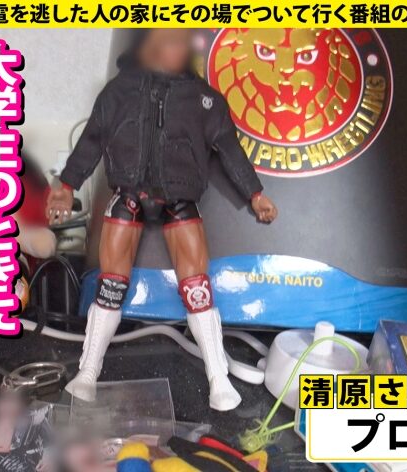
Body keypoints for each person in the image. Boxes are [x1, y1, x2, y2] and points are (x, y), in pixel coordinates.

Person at [46, 29, 277, 411]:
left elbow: (230, 150)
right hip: (128, 194)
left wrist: (255, 193)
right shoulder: (118, 92)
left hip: (180, 198)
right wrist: (67, 185)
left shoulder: (204, 99)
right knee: (110, 285)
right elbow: (92, 140)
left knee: (197, 288)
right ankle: (88, 371)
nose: (172, 48)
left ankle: (218, 377)